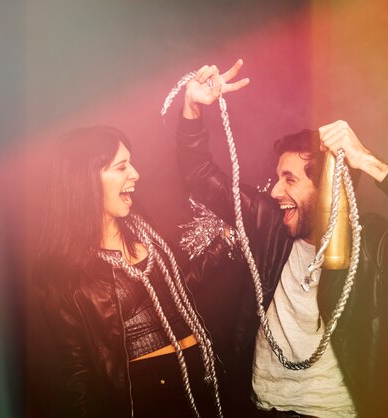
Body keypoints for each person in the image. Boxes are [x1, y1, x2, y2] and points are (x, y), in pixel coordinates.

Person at [176, 60, 388, 417]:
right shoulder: (270, 224)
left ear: (326, 187)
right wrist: (192, 108)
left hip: (331, 411)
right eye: (278, 177)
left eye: (290, 179)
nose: (275, 191)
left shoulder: (373, 245)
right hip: (261, 405)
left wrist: (369, 161)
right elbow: (202, 177)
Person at [33, 125, 241, 417]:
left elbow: (177, 288)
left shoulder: (143, 230)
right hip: (149, 398)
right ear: (85, 181)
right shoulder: (61, 274)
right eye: (121, 167)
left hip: (202, 381)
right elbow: (77, 372)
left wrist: (224, 245)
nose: (135, 174)